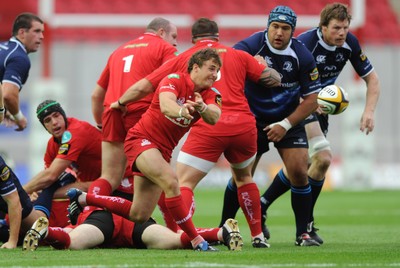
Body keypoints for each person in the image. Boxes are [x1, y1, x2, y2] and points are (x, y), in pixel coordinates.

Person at [67, 48, 223, 251]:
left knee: (138, 214)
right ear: (195, 67)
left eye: (217, 70)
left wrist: (202, 108)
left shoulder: (211, 95)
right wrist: (183, 110)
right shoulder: (174, 79)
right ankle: (196, 240)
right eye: (211, 68)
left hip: (162, 151)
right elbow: (167, 106)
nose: (215, 74)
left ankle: (84, 198)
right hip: (141, 140)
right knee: (171, 181)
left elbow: (214, 117)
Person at [147, 18, 280, 248]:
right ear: (217, 37)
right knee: (244, 178)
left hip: (210, 123)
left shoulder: (186, 58)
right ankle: (258, 236)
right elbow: (274, 80)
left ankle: (183, 234)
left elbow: (150, 83)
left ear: (193, 39)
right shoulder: (238, 54)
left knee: (185, 182)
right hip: (243, 126)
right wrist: (262, 64)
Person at [258, 2, 381, 245]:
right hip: (297, 104)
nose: (342, 33)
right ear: (322, 27)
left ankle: (264, 205)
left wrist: (369, 111)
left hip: (318, 107)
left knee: (308, 166)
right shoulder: (305, 44)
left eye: (345, 27)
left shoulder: (350, 43)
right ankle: (305, 228)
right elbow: (289, 82)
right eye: (336, 28)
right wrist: (311, 101)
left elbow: (373, 79)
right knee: (323, 157)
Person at [218, 6, 322, 246]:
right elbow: (227, 66)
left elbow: (312, 99)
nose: (278, 33)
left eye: (285, 28)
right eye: (275, 26)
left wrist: (285, 124)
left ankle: (302, 234)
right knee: (242, 176)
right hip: (251, 119)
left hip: (287, 120)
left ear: (292, 32)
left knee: (298, 170)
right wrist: (249, 64)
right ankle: (223, 227)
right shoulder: (250, 46)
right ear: (268, 26)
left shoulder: (303, 56)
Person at [90, 17, 178, 196]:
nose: (175, 43)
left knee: (109, 177)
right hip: (141, 115)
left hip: (111, 112)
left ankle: (88, 211)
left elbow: (96, 95)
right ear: (161, 32)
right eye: (174, 36)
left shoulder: (118, 51)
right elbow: (172, 80)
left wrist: (101, 123)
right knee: (159, 176)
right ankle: (172, 224)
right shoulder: (165, 49)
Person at [23, 100, 102, 227]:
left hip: (115, 183)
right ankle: (36, 224)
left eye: (56, 115)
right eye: (47, 120)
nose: (54, 122)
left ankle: (37, 224)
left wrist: (20, 193)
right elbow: (48, 180)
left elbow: (51, 175)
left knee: (46, 190)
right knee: (47, 188)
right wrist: (34, 190)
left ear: (63, 115)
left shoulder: (76, 131)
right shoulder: (52, 145)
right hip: (90, 186)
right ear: (45, 127)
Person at [22, 210, 242, 251]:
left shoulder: (85, 208)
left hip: (102, 218)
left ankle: (46, 232)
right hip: (133, 219)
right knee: (175, 240)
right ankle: (221, 233)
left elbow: (69, 232)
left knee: (73, 241)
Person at [0, 13, 44, 131]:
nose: (42, 36)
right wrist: (19, 117)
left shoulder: (3, 47)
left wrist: (3, 112)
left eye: (42, 32)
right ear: (22, 33)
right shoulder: (19, 57)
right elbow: (8, 95)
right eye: (37, 31)